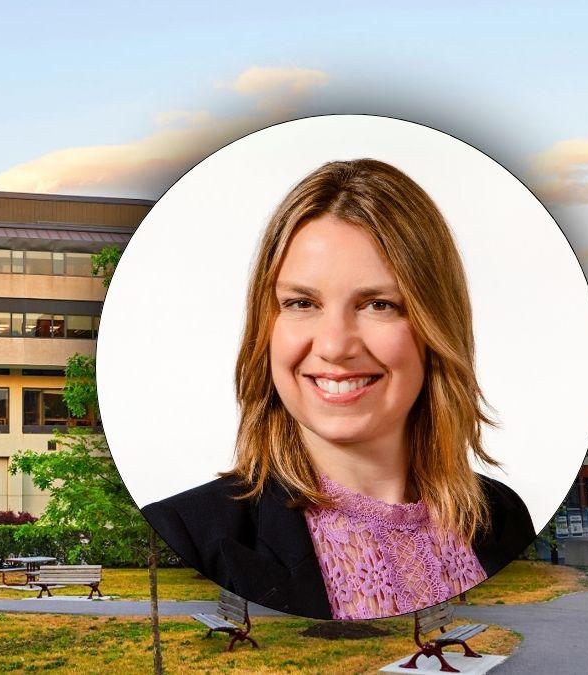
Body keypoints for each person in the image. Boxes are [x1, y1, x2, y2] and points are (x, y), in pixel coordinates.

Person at [141, 158, 534, 620]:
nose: (333, 346)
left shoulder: (504, 519)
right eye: (301, 302)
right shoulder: (181, 535)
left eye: (378, 304)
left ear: (436, 326)